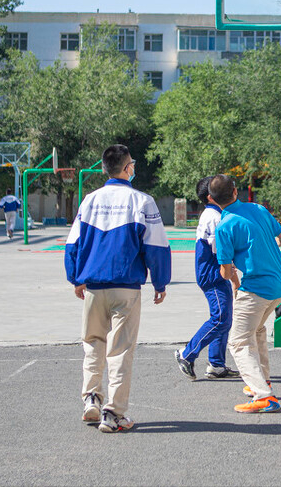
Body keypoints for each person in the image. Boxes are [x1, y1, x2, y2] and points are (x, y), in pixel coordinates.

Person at [65, 144, 170, 433]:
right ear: (128, 168)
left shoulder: (89, 200)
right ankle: (113, 414)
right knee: (121, 350)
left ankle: (91, 399)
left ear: (103, 169)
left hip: (94, 287)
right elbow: (157, 246)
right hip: (126, 286)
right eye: (132, 164)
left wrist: (76, 277)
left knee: (92, 343)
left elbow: (73, 242)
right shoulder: (142, 201)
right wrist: (160, 282)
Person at [211, 174, 281, 413]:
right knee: (256, 330)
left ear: (212, 200)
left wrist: (235, 265)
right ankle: (262, 379)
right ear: (236, 192)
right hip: (279, 283)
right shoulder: (258, 208)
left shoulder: (224, 226)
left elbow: (225, 273)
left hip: (256, 288)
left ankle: (263, 395)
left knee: (238, 341)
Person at [174, 176, 240, 381]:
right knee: (220, 318)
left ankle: (217, 364)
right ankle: (187, 354)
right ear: (211, 197)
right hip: (212, 275)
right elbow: (221, 253)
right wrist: (234, 277)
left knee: (225, 318)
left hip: (216, 274)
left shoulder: (216, 214)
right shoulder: (213, 216)